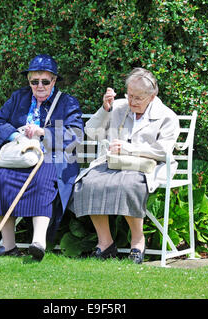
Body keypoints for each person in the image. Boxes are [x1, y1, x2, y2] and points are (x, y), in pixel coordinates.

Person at [0, 54, 83, 261]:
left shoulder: (67, 102)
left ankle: (38, 242)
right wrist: (16, 135)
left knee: (42, 177)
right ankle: (8, 245)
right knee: (0, 178)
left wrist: (43, 133)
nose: (39, 86)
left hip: (49, 156)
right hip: (18, 155)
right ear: (29, 81)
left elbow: (75, 134)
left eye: (45, 81)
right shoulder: (18, 97)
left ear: (54, 80)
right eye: (34, 81)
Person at [70, 67, 180, 264]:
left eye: (138, 98)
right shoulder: (119, 107)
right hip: (113, 163)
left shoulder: (166, 116)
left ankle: (138, 242)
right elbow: (91, 131)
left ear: (152, 96)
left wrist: (130, 148)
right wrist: (104, 109)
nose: (132, 102)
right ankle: (105, 244)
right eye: (130, 95)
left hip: (147, 167)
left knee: (129, 185)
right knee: (88, 183)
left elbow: (163, 151)